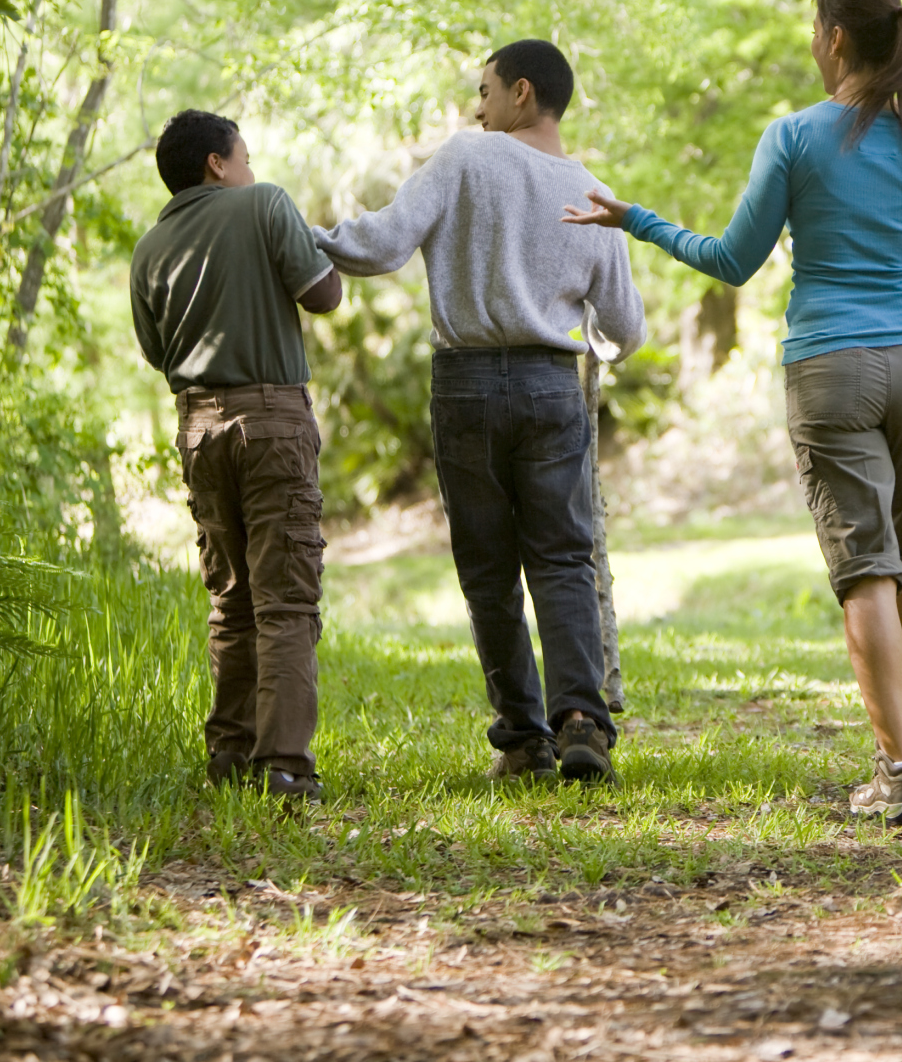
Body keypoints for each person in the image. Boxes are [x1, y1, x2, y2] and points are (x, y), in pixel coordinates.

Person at [564, 0, 902, 826]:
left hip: (832, 363)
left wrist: (638, 221)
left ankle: (898, 769)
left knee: (864, 567)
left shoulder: (795, 138)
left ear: (836, 39)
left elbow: (732, 259)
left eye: (814, 28)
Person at [316, 40, 645, 785]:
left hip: (465, 384)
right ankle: (583, 721)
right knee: (564, 556)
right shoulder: (592, 190)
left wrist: (297, 237)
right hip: (552, 385)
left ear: (522, 92)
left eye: (485, 88)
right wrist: (584, 336)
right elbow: (626, 329)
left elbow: (383, 243)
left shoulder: (466, 159)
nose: (477, 105)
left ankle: (524, 740)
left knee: (488, 570)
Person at [130, 109, 344, 802]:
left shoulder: (150, 247)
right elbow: (326, 295)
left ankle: (228, 754)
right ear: (217, 164)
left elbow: (157, 351)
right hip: (271, 417)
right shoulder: (263, 204)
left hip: (197, 426)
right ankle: (283, 764)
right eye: (244, 155)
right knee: (286, 597)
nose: (250, 166)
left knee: (232, 600)